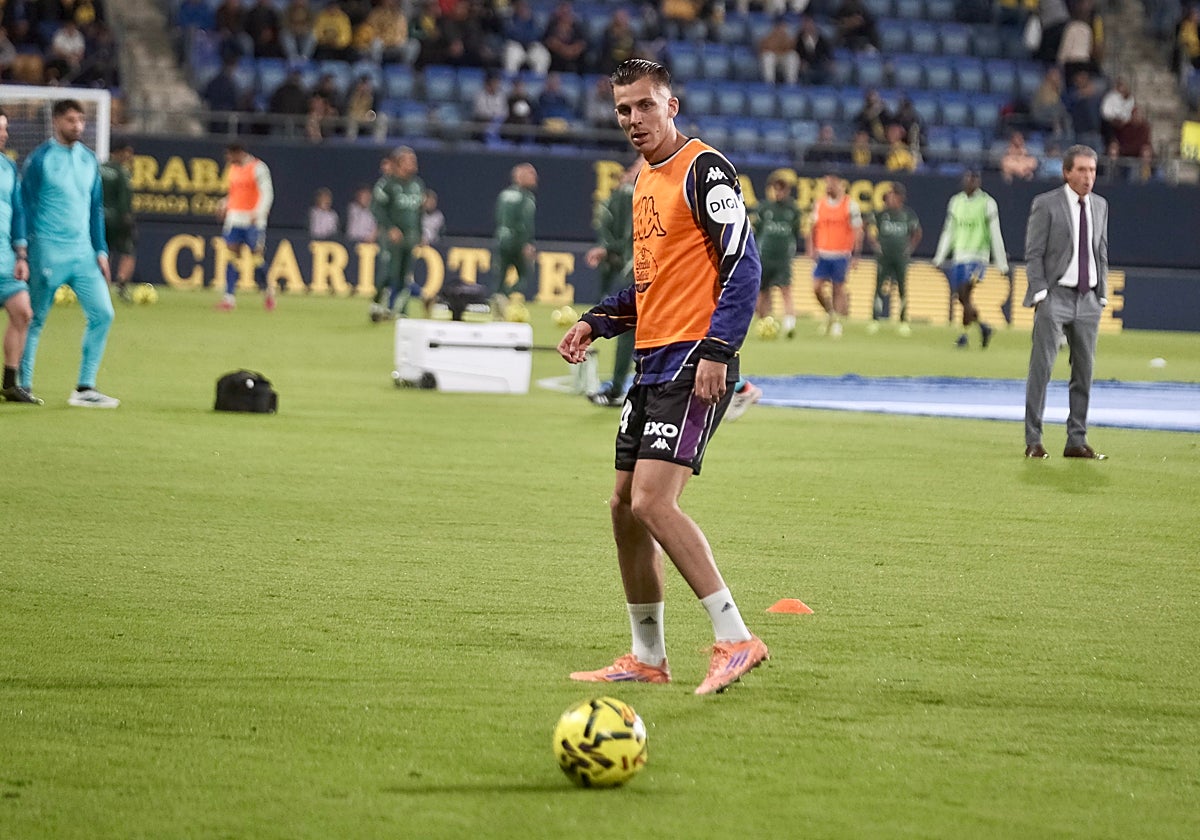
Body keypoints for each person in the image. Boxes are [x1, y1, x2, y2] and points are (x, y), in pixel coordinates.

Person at [556, 59, 767, 696]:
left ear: (671, 106)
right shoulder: (645, 180)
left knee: (652, 501)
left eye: (645, 105)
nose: (634, 119)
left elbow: (743, 263)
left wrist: (719, 350)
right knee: (624, 507)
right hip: (652, 362)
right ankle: (648, 656)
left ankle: (735, 638)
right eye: (623, 109)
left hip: (694, 359)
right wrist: (597, 321)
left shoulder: (704, 169)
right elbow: (653, 283)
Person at [18, 99, 117, 408]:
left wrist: (100, 249)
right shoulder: (40, 159)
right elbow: (26, 205)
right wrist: (25, 250)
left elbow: (95, 209)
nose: (78, 126)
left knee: (103, 314)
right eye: (71, 120)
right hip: (47, 251)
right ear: (57, 121)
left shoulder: (89, 160)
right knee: (34, 319)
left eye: (81, 120)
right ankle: (23, 384)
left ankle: (85, 387)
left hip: (83, 254)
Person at [1023, 145, 1109, 461]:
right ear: (1067, 172)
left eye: (1093, 170)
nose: (1088, 177)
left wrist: (1101, 293)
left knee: (1084, 371)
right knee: (1042, 369)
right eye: (1082, 170)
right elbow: (1033, 253)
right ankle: (1034, 440)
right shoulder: (1046, 204)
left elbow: (1100, 250)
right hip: (1055, 295)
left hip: (1088, 298)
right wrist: (1041, 292)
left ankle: (1076, 439)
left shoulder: (1100, 205)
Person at [584, 158, 641, 407]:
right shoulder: (639, 195)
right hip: (640, 269)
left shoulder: (633, 194)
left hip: (648, 272)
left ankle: (619, 389)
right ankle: (622, 388)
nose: (630, 173)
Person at [931, 170, 1008, 349]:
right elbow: (949, 230)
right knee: (962, 297)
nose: (970, 182)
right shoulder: (956, 201)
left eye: (973, 179)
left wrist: (1001, 262)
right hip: (959, 256)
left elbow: (995, 233)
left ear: (978, 182)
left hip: (978, 257)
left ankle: (964, 336)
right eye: (968, 178)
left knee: (966, 293)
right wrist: (940, 256)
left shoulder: (988, 203)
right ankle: (983, 327)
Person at [0, 107, 36, 405]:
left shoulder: (8, 167)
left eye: (5, 128)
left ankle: (10, 384)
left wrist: (21, 255)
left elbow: (18, 212)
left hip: (5, 258)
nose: (4, 134)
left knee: (23, 312)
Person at [369, 146, 425, 321]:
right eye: (409, 161)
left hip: (410, 236)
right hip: (391, 237)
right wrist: (390, 227)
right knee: (387, 273)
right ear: (399, 163)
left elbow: (419, 212)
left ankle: (399, 310)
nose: (413, 164)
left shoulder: (417, 185)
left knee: (405, 275)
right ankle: (377, 304)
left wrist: (420, 232)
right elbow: (377, 209)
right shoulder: (387, 184)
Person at [217, 144, 274, 310]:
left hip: (252, 219)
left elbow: (267, 193)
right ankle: (229, 298)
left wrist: (259, 212)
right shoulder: (233, 169)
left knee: (257, 259)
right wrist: (224, 204)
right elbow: (235, 192)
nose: (228, 158)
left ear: (239, 153)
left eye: (230, 155)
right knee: (231, 256)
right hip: (235, 218)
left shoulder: (259, 168)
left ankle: (268, 291)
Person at [807, 170, 863, 338]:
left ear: (839, 184)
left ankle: (836, 322)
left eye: (831, 183)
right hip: (823, 253)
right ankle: (830, 313)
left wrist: (856, 255)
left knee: (838, 289)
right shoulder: (820, 204)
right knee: (816, 287)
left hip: (841, 254)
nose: (828, 186)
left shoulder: (850, 205)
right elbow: (812, 227)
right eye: (826, 183)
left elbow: (858, 230)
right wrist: (811, 247)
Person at [866, 183, 921, 336]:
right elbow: (867, 226)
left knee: (902, 288)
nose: (889, 197)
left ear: (899, 197)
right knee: (879, 287)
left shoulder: (907, 215)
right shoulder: (881, 214)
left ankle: (903, 321)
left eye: (892, 194)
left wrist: (910, 248)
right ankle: (875, 320)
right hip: (884, 257)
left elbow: (917, 232)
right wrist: (874, 244)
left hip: (900, 258)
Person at [753, 174, 800, 339]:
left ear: (787, 191)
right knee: (762, 291)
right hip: (765, 257)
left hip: (782, 258)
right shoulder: (764, 208)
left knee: (785, 290)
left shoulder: (793, 210)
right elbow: (757, 231)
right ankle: (764, 322)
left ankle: (789, 325)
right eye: (776, 189)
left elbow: (796, 233)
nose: (779, 193)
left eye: (782, 190)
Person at [489, 162, 537, 315]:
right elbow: (524, 223)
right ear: (520, 177)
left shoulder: (504, 195)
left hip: (501, 239)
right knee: (525, 275)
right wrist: (526, 243)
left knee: (501, 275)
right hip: (517, 241)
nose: (535, 178)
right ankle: (504, 295)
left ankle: (498, 298)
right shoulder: (526, 197)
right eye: (531, 174)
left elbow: (498, 217)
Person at [99, 142, 136, 302]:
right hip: (117, 219)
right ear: (120, 152)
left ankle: (101, 287)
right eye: (128, 152)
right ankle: (121, 283)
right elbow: (124, 199)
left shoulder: (99, 169)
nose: (130, 156)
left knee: (103, 252)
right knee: (128, 251)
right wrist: (127, 218)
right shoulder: (122, 172)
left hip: (99, 217)